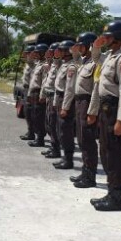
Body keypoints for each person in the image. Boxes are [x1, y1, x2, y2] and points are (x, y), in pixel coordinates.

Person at [87, 20, 121, 211]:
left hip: (115, 110)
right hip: (105, 109)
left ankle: (116, 198)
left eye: (108, 36)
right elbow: (96, 58)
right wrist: (96, 46)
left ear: (117, 38)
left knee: (114, 154)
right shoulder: (110, 57)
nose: (104, 39)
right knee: (105, 151)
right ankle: (110, 192)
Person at [70, 32, 100, 187]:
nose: (79, 48)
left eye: (81, 45)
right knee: (81, 139)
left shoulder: (96, 63)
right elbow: (75, 60)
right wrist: (75, 50)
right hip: (79, 102)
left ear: (90, 46)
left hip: (87, 103)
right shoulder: (83, 62)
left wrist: (92, 111)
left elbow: (96, 89)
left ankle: (90, 176)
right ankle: (85, 171)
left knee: (88, 140)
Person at [53, 40, 77, 169]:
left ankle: (69, 160)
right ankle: (64, 158)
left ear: (68, 51)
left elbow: (70, 89)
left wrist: (65, 107)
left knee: (66, 132)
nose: (60, 52)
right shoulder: (64, 65)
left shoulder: (71, 67)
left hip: (65, 100)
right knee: (60, 130)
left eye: (62, 50)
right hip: (60, 98)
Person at [27, 43, 49, 147]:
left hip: (39, 92)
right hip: (34, 93)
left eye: (37, 53)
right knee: (34, 116)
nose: (35, 55)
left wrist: (42, 95)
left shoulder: (45, 65)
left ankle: (40, 139)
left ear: (43, 53)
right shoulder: (38, 64)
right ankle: (37, 137)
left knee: (39, 117)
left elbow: (44, 81)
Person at [41, 43, 60, 157]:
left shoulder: (59, 63)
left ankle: (56, 149)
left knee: (53, 124)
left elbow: (57, 62)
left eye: (52, 52)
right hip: (49, 96)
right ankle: (53, 147)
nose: (50, 54)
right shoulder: (51, 64)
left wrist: (56, 56)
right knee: (48, 123)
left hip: (54, 97)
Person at [19, 45, 36, 140]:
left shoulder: (34, 65)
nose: (26, 56)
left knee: (30, 112)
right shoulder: (28, 64)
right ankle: (30, 131)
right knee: (26, 112)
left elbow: (33, 81)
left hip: (30, 90)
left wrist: (29, 93)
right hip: (25, 89)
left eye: (27, 54)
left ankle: (32, 133)